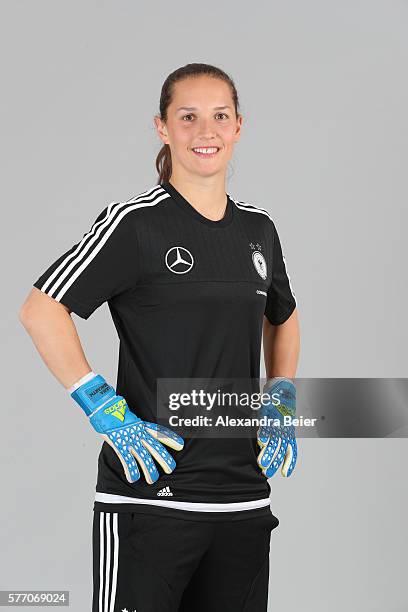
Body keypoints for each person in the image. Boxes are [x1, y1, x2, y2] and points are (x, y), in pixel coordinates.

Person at [19, 63, 300, 612]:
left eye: (220, 116)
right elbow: (41, 310)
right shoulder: (135, 223)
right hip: (150, 499)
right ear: (162, 128)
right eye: (188, 117)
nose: (206, 131)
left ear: (239, 126)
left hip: (242, 498)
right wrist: (104, 408)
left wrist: (282, 395)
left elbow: (283, 316)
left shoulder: (258, 229)